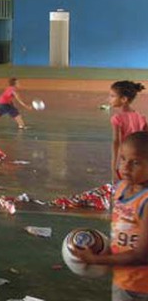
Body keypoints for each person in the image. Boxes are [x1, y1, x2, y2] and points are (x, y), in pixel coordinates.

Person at [72, 131, 148, 301]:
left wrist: (97, 259)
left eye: (135, 162)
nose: (126, 167)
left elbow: (142, 255)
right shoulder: (121, 188)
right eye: (122, 159)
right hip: (123, 280)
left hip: (141, 287)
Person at [109, 80, 147, 183]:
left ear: (124, 99)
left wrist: (114, 166)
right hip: (138, 160)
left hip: (125, 159)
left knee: (123, 186)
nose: (109, 99)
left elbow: (117, 142)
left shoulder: (117, 118)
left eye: (112, 96)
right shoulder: (141, 117)